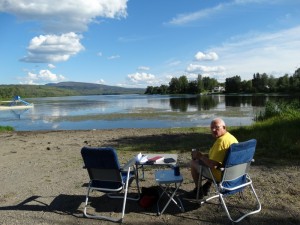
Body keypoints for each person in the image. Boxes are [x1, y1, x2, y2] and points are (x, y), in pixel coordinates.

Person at [189, 118, 238, 198]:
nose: (214, 130)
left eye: (217, 127)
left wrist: (200, 156)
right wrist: (201, 156)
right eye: (212, 128)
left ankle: (199, 191)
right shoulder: (230, 137)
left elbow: (213, 165)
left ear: (224, 127)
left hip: (223, 176)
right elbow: (217, 157)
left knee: (193, 163)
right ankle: (207, 186)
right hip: (235, 173)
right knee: (203, 160)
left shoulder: (221, 142)